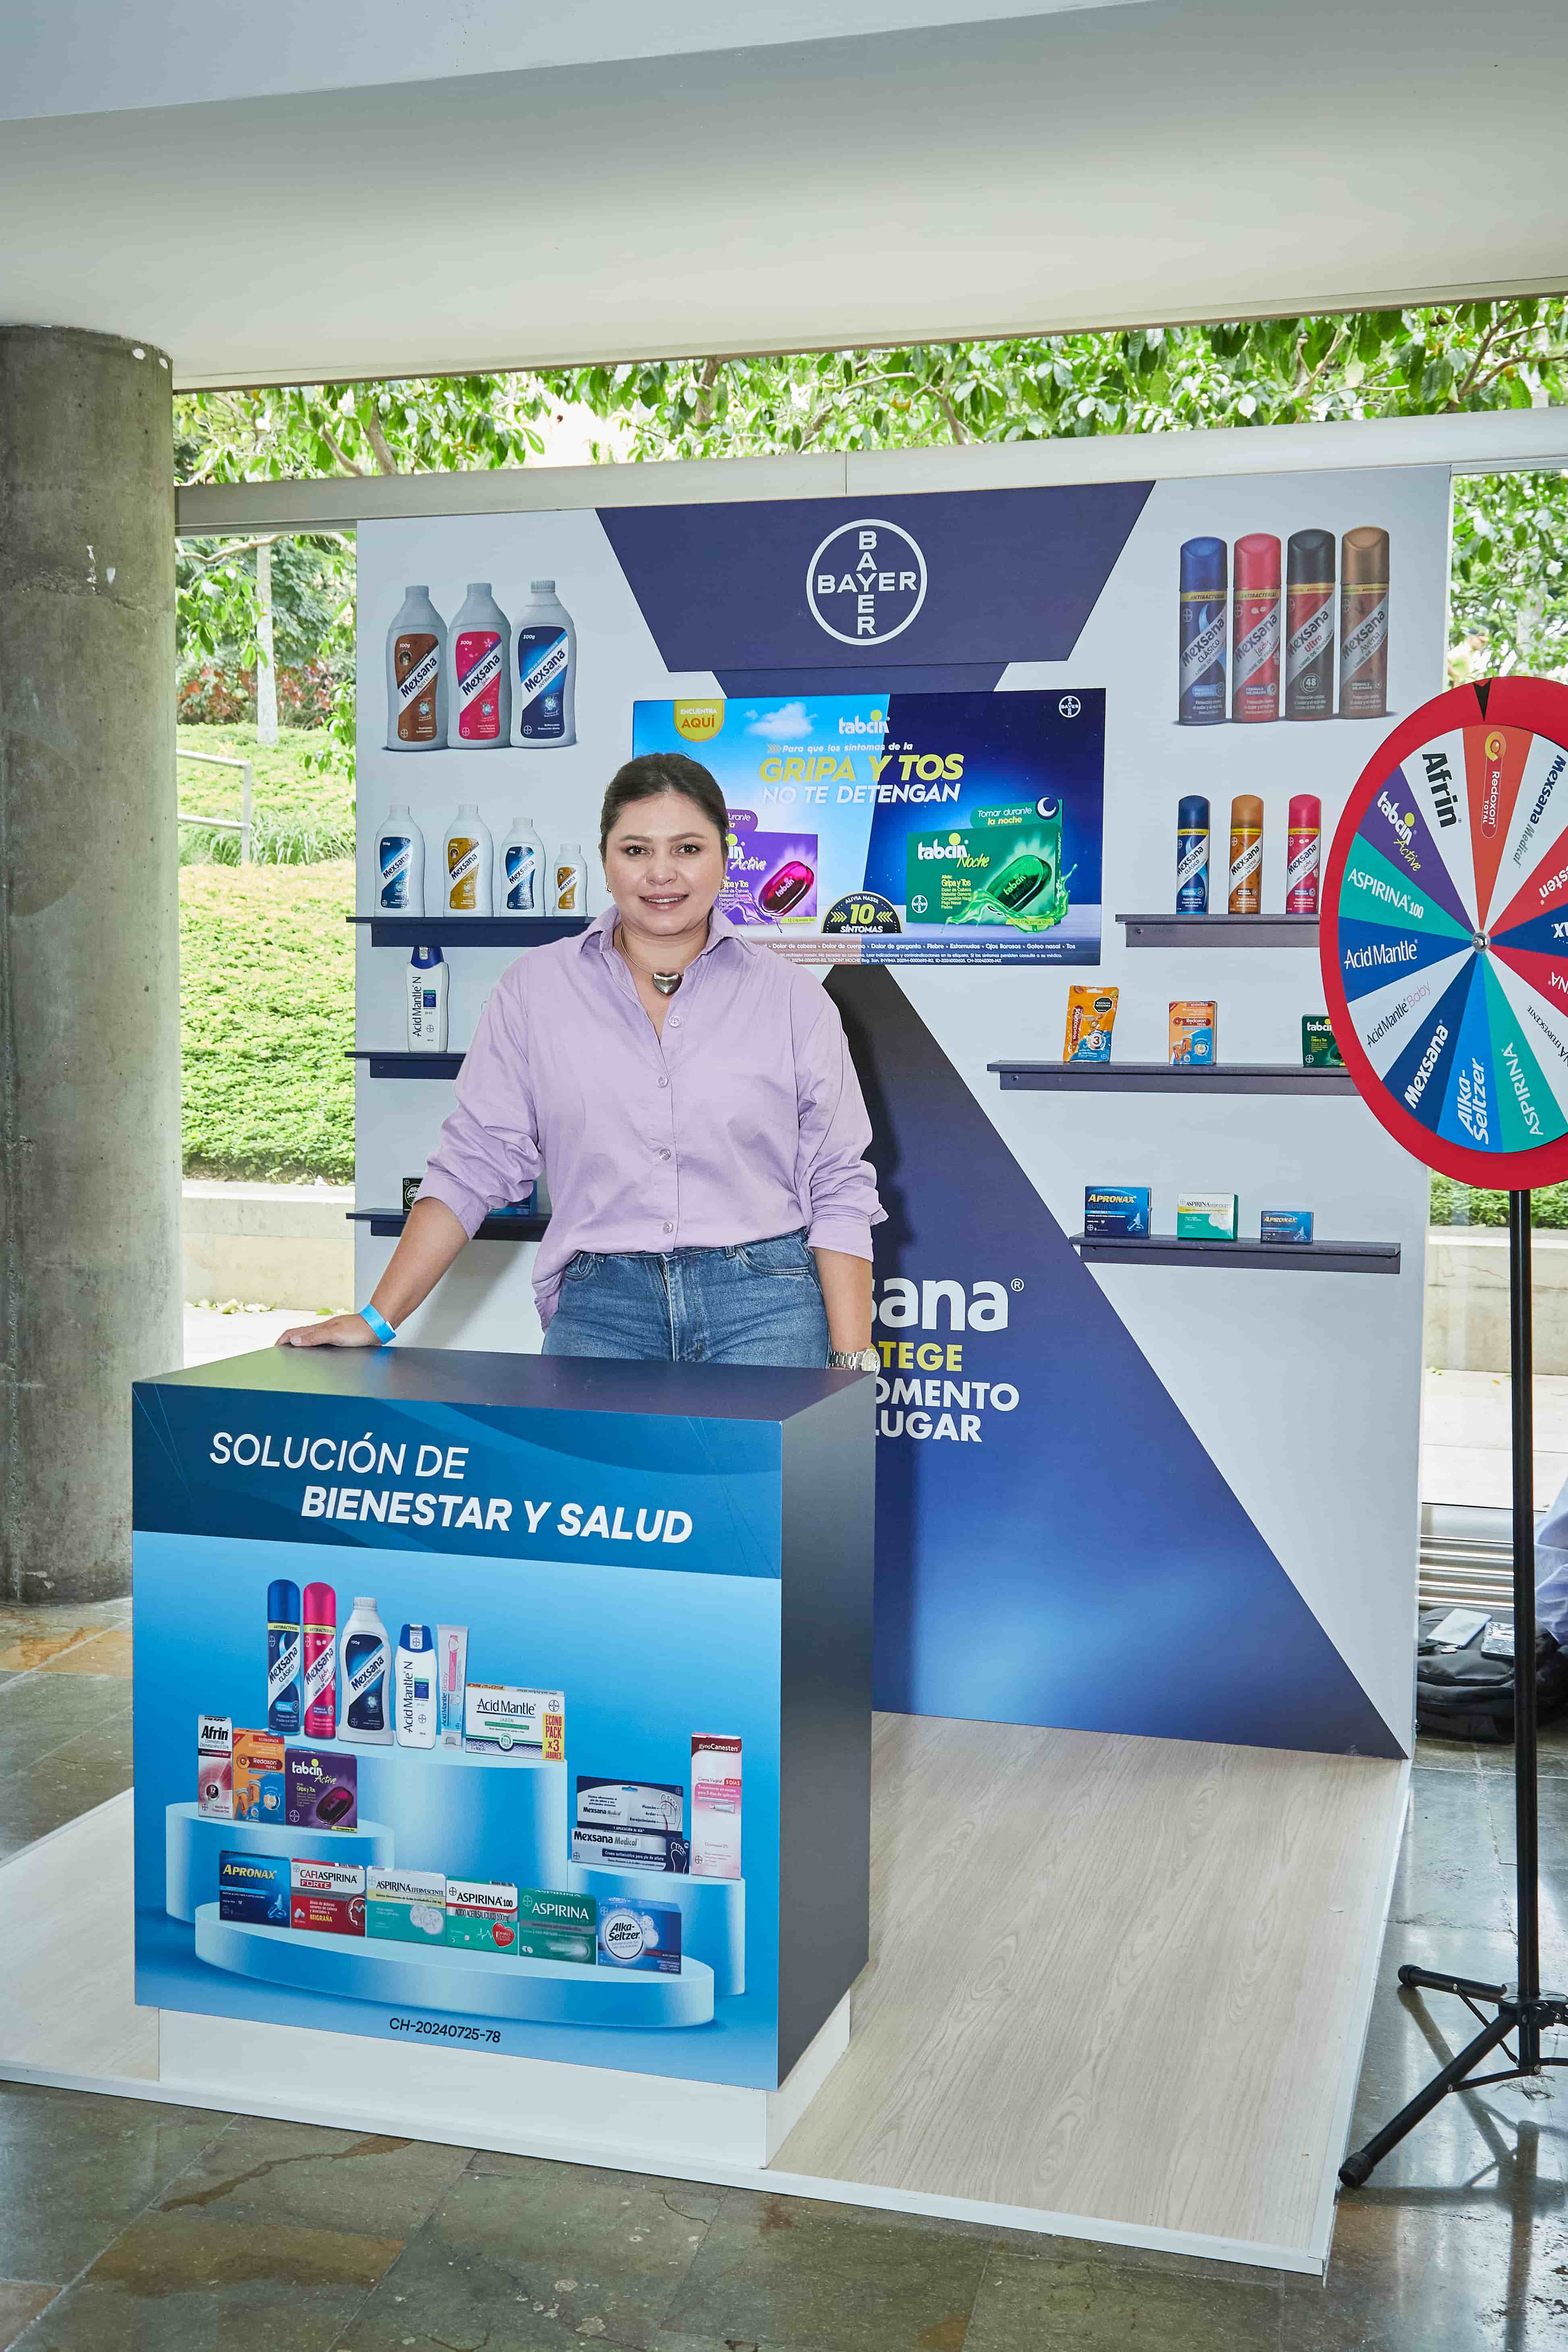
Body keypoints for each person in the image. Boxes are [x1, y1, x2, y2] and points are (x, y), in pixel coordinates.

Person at [278, 752, 883, 1369]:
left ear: (724, 858)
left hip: (765, 1307)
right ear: (605, 859)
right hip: (602, 1309)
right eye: (636, 850)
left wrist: (849, 1362)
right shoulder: (534, 989)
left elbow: (837, 1182)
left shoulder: (792, 998)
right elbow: (473, 1161)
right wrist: (377, 1317)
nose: (661, 874)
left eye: (688, 848)